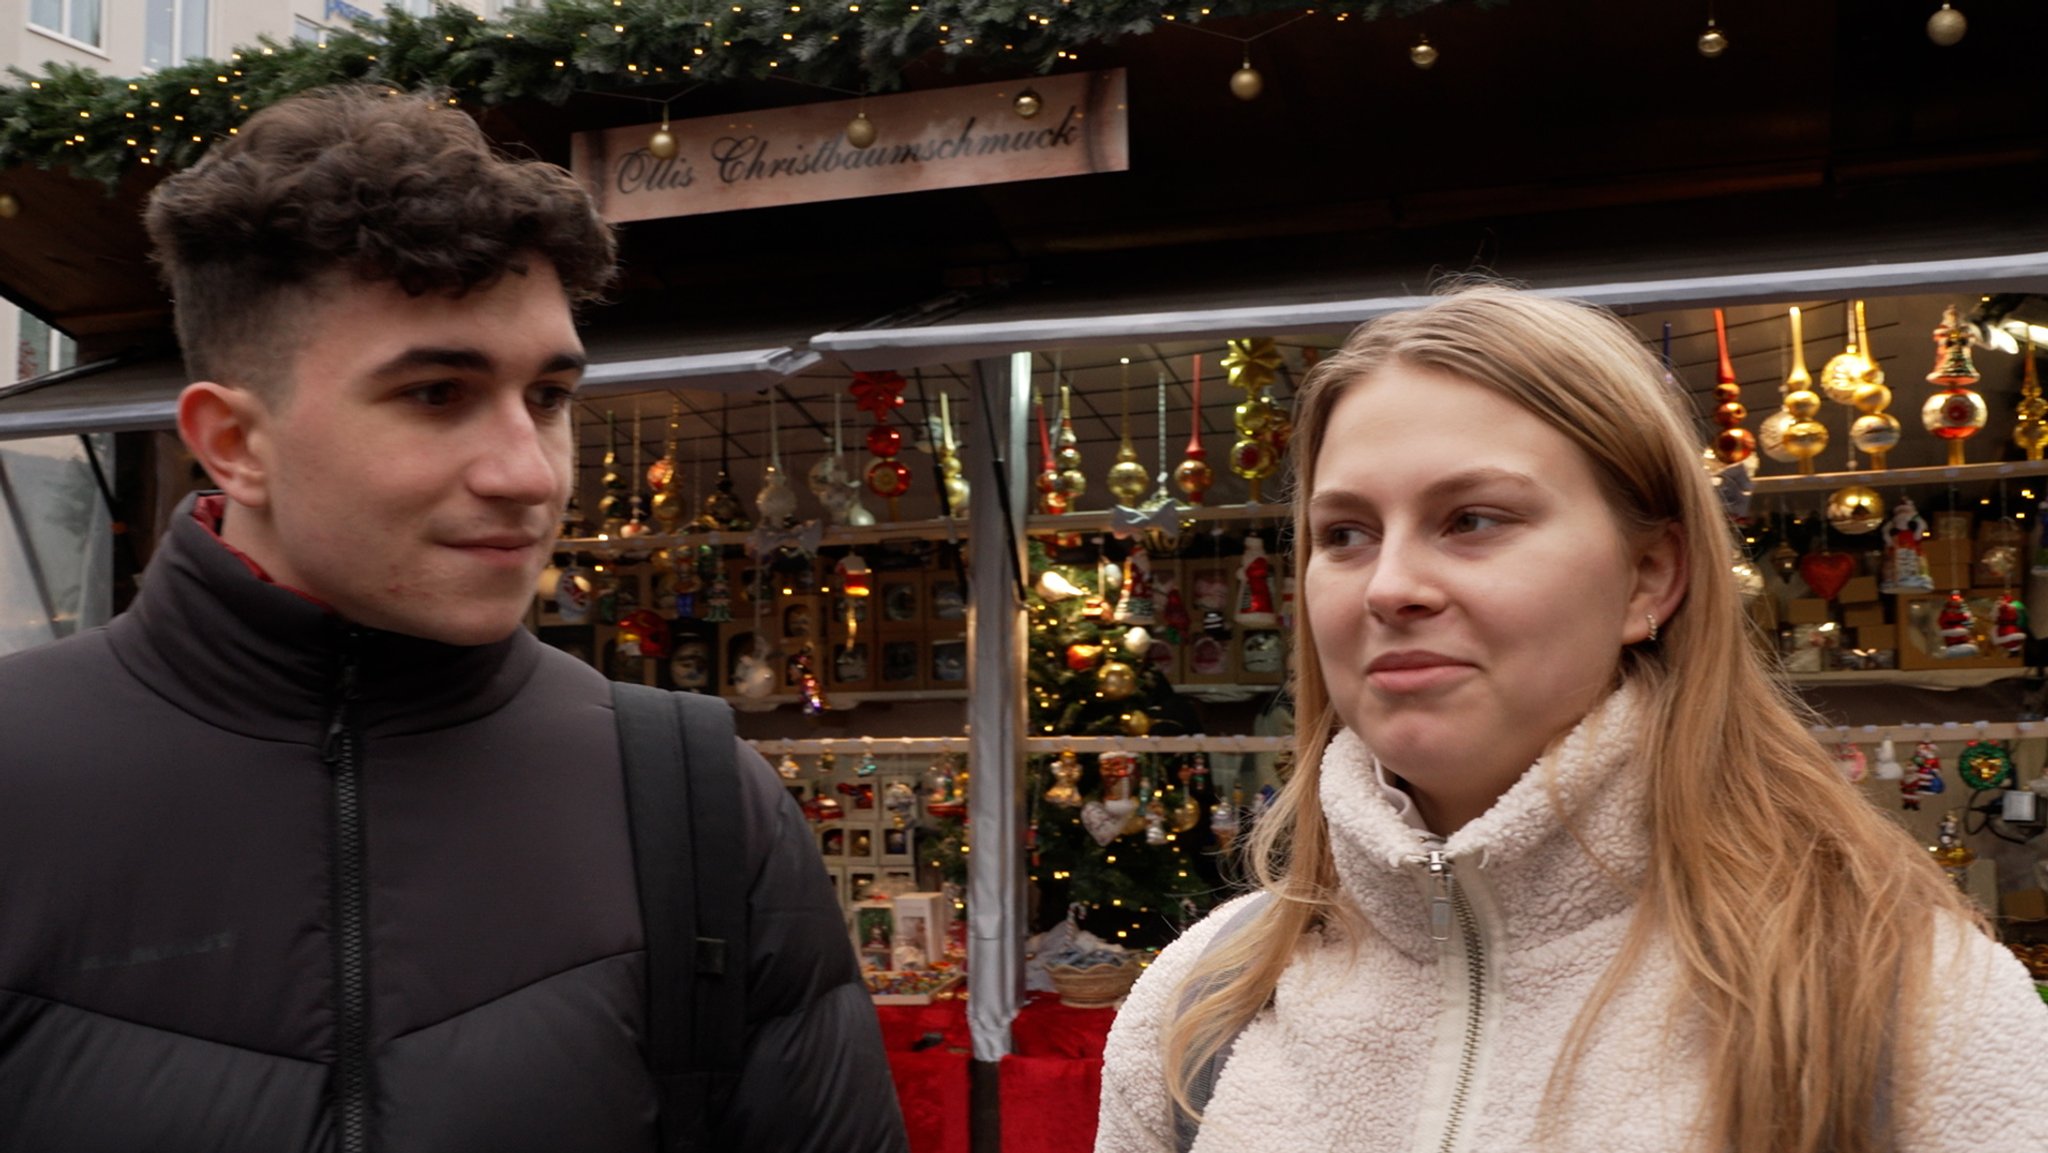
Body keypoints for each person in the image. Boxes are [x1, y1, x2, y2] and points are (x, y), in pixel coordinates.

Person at [0, 87, 906, 1152]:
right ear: (234, 443)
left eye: (550, 397)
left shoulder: (695, 801)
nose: (528, 472)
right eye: (437, 393)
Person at [1095, 287, 2048, 1153]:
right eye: (1345, 533)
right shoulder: (1201, 1008)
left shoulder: (1906, 1004)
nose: (1389, 586)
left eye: (1472, 518)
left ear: (1650, 576)